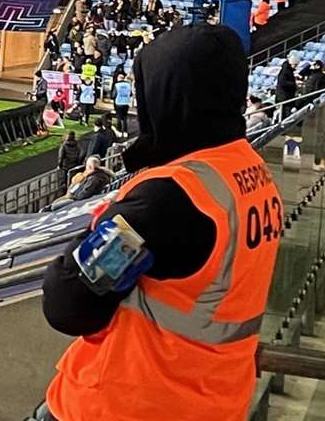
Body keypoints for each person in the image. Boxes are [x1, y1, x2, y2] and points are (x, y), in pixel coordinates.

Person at [38, 25, 282, 421]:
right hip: (214, 399)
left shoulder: (169, 198)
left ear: (170, 96)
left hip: (130, 403)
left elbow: (68, 305)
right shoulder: (252, 173)